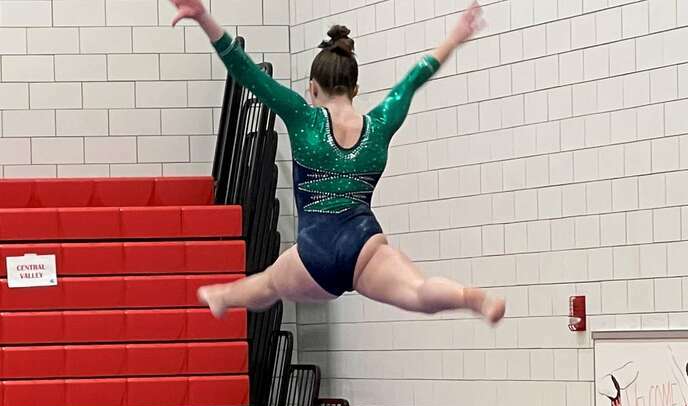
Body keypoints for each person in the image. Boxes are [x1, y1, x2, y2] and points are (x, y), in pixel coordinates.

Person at [167, 0, 504, 325]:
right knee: (418, 292)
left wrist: (202, 16)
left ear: (313, 88)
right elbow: (414, 78)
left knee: (269, 285)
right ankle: (467, 297)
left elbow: (246, 72)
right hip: (365, 245)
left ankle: (224, 296)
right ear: (355, 89)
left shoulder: (303, 118)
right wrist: (455, 37)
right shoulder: (380, 124)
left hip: (315, 254)